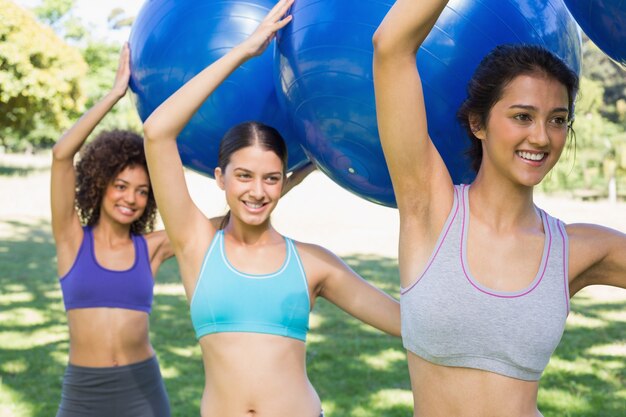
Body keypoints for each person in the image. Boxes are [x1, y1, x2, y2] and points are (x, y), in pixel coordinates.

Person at [142, 1, 401, 416]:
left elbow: (409, 326)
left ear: (284, 181)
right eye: (243, 176)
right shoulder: (196, 244)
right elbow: (157, 131)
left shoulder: (313, 263)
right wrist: (245, 50)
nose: (257, 191)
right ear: (220, 178)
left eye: (270, 178)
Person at [373, 1, 626, 416]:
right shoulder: (430, 206)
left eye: (558, 120)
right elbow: (391, 46)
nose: (542, 138)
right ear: (478, 123)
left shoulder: (578, 249)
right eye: (522, 116)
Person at [51, 44, 174, 417]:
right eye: (121, 185)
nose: (130, 199)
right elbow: (60, 156)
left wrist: (287, 181)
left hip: (143, 390)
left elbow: (229, 218)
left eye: (142, 191)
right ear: (101, 183)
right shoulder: (72, 239)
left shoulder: (151, 248)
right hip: (84, 393)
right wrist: (115, 93)